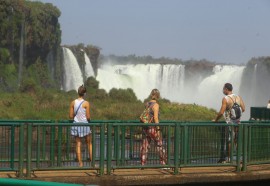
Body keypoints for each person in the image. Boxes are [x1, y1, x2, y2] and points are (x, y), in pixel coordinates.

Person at [213, 83, 245, 163]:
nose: (223, 90)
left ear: (226, 89)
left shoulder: (225, 99)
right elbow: (243, 109)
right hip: (238, 122)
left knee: (230, 140)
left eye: (223, 89)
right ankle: (239, 158)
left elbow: (221, 112)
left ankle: (229, 159)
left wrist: (216, 120)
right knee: (236, 140)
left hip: (230, 122)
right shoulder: (238, 97)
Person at [140, 89, 167, 166]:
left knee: (145, 146)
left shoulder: (147, 104)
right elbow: (156, 118)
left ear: (151, 95)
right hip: (152, 128)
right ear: (158, 96)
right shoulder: (156, 105)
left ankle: (142, 164)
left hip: (146, 128)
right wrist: (158, 129)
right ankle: (164, 164)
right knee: (159, 145)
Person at [69, 85, 92, 167]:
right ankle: (92, 162)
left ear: (78, 92)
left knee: (78, 144)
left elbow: (71, 116)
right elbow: (88, 116)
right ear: (84, 94)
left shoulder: (73, 102)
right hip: (85, 125)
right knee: (89, 143)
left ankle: (80, 163)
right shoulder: (86, 103)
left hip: (76, 125)